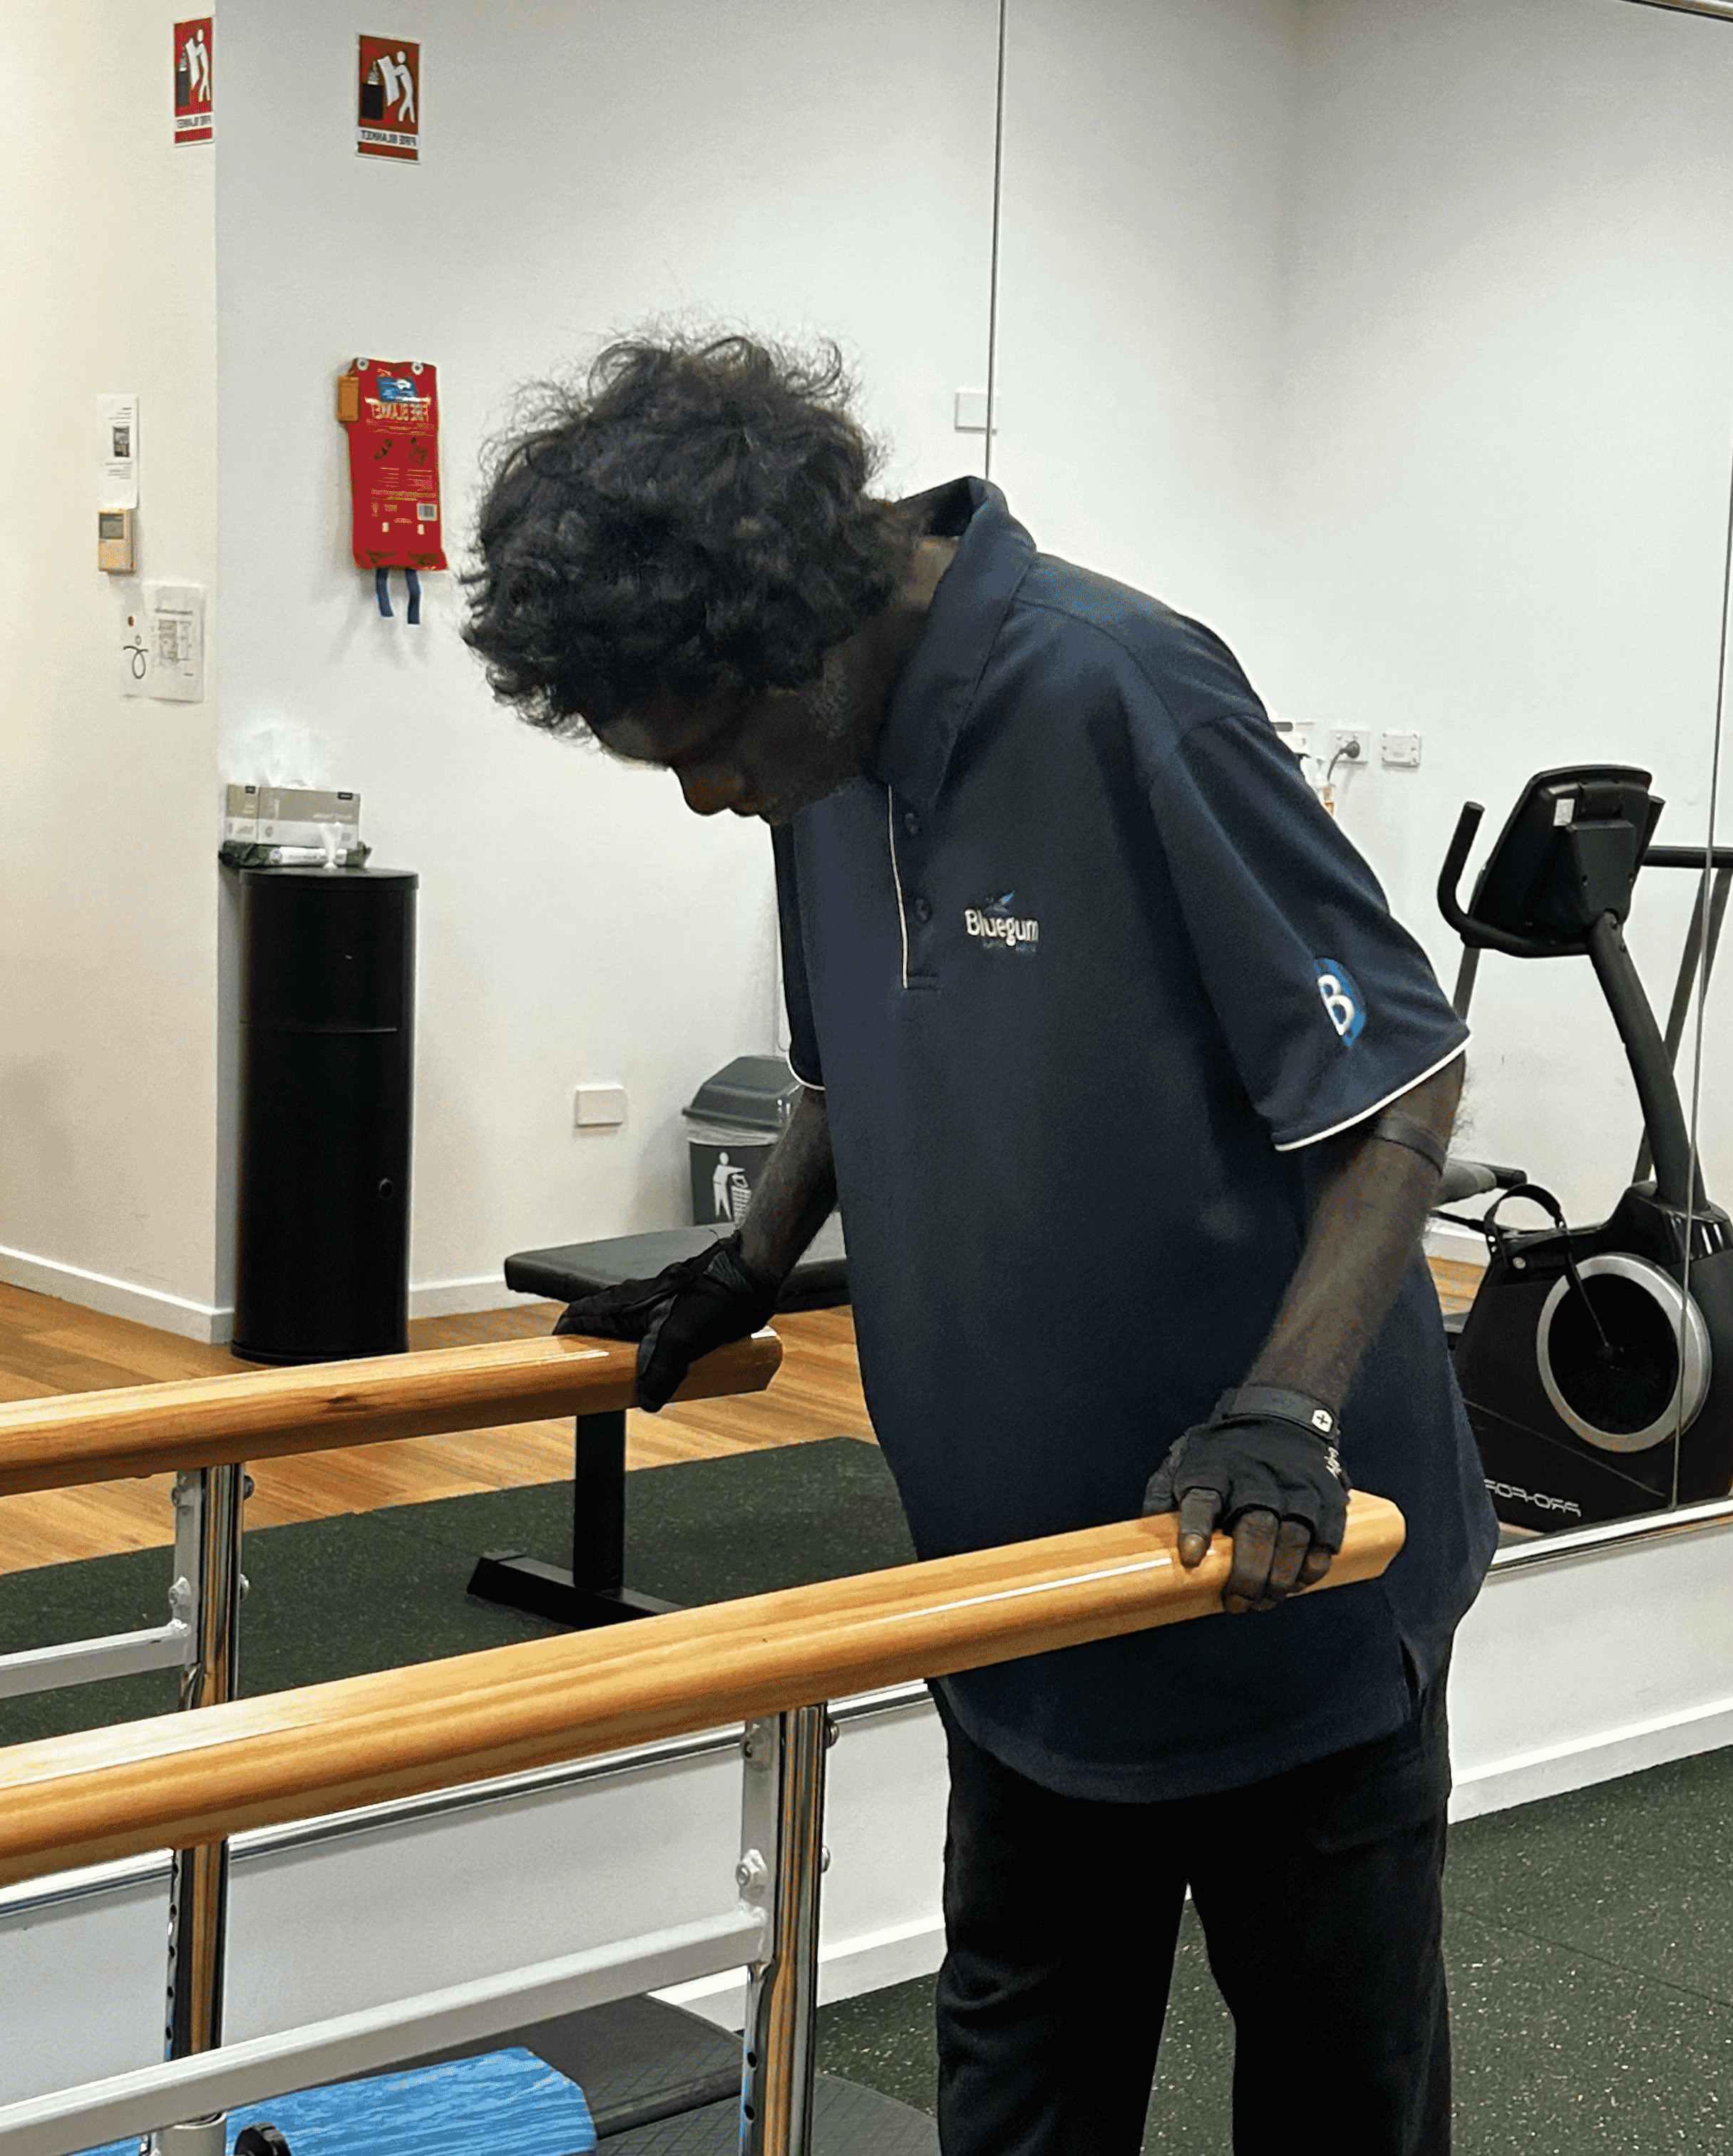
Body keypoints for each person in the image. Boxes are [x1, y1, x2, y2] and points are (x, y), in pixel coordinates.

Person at [464, 334, 1497, 2156]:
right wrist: (746, 1259)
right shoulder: (817, 761)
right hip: (1015, 1608)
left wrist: (1287, 1405)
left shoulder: (1126, 692)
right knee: (1016, 2106)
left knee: (1338, 2109)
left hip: (1278, 1599)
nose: (705, 800)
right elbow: (857, 1056)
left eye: (703, 754)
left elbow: (1399, 1085)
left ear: (789, 641)